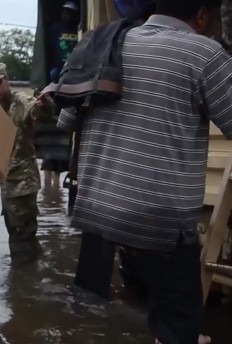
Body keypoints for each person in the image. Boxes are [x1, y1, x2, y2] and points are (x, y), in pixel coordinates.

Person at [58, 1, 228, 343]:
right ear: (202, 15)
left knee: (142, 294)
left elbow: (65, 121)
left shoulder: (100, 44)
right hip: (158, 222)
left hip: (100, 212)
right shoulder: (203, 53)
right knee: (180, 319)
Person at [0, 62, 54, 243]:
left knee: (23, 237)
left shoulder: (20, 102)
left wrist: (45, 105)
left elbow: (38, 113)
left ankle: (26, 269)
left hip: (23, 182)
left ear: (7, 79)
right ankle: (23, 269)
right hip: (6, 181)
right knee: (14, 231)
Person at [49, 1, 80, 83]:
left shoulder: (79, 29)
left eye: (69, 13)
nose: (66, 16)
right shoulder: (56, 28)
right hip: (60, 67)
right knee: (53, 74)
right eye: (64, 13)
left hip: (76, 66)